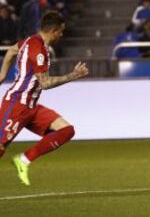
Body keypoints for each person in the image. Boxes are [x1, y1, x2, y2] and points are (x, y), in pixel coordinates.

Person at [0, 11, 89, 186]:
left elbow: (11, 51)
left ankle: (23, 160)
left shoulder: (30, 41)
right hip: (17, 105)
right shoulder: (38, 48)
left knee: (66, 130)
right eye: (61, 31)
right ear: (54, 30)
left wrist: (2, 76)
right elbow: (45, 83)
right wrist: (73, 75)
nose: (61, 35)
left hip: (31, 106)